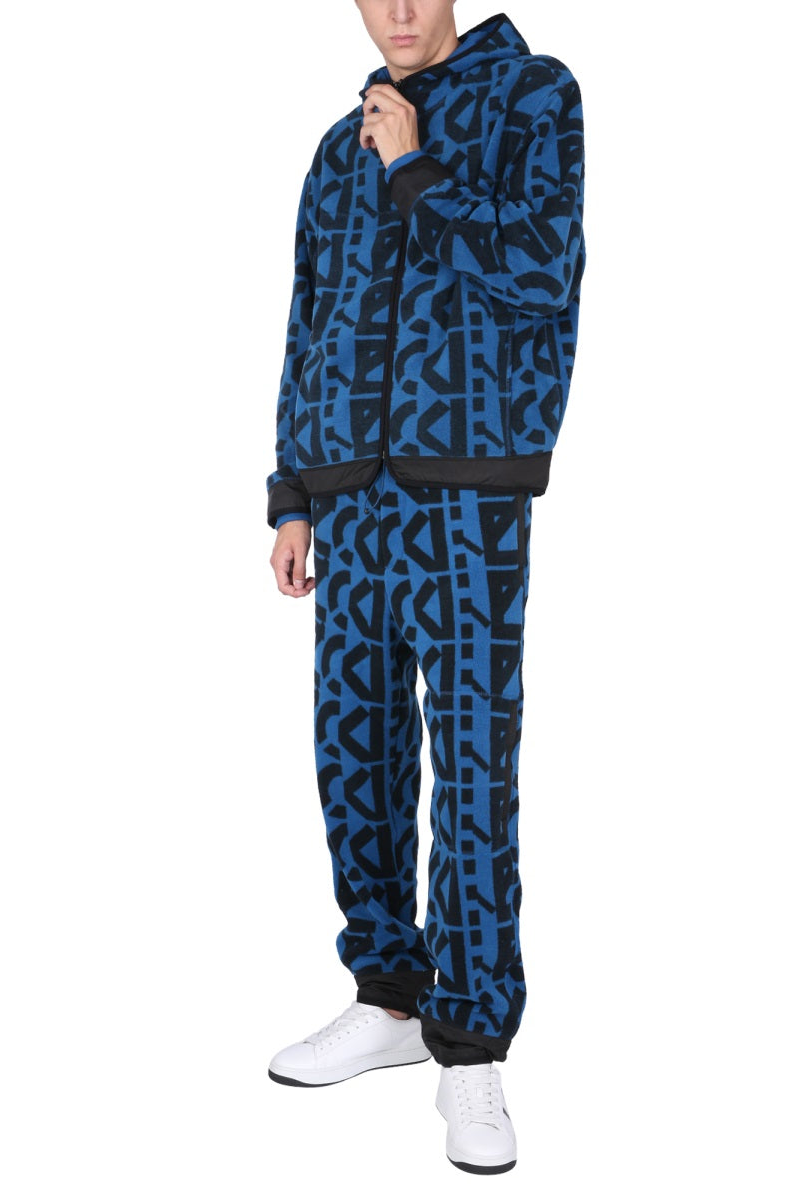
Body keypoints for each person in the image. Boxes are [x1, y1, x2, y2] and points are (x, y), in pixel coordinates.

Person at [265, 1, 585, 1175]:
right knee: (354, 750)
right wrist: (292, 492)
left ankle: (474, 1045)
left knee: (471, 765)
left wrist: (415, 171)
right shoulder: (334, 143)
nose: (397, 11)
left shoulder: (536, 95)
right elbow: (310, 321)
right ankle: (390, 996)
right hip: (350, 499)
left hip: (466, 491)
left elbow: (542, 273)